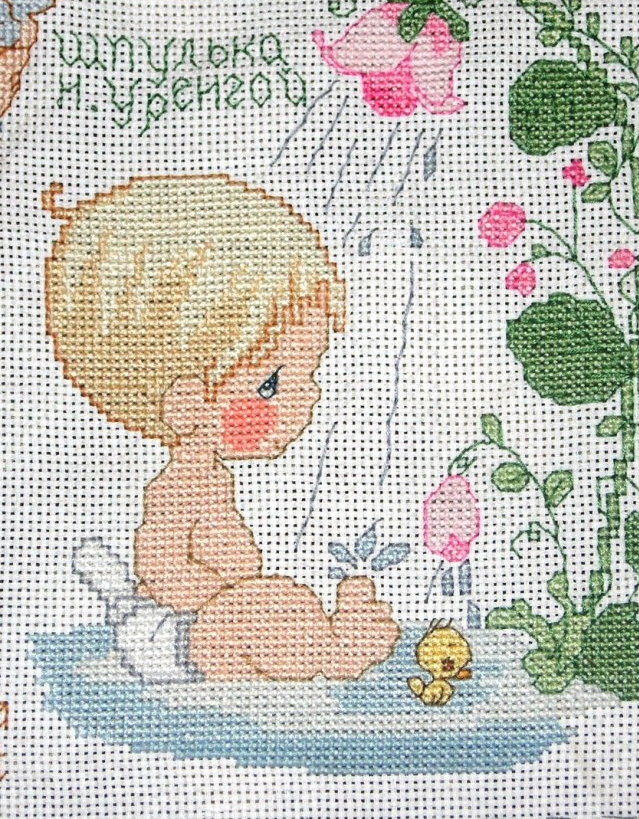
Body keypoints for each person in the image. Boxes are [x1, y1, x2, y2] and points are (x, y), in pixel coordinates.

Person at [45, 174, 400, 682]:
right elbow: (160, 565)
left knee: (270, 604)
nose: (309, 395)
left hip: (203, 623)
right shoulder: (177, 488)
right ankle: (335, 653)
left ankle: (323, 644)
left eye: (309, 373)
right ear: (189, 404)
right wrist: (225, 597)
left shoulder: (209, 476)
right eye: (271, 383)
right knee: (260, 609)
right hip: (169, 634)